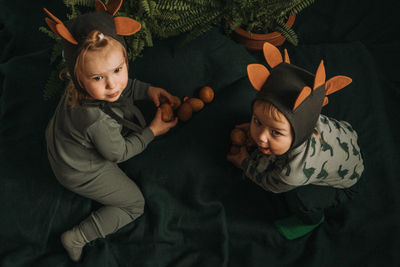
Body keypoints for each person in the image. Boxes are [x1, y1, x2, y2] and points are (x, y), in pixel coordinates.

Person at [43, 0, 178, 262]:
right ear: (78, 78)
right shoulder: (95, 120)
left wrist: (147, 90)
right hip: (78, 169)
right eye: (98, 78)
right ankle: (77, 236)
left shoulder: (86, 85)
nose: (112, 84)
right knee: (134, 204)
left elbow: (125, 88)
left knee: (111, 95)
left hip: (62, 140)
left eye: (118, 69)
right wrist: (152, 131)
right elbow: (119, 152)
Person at [227, 42, 364, 240]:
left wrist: (244, 163)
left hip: (345, 183)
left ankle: (312, 220)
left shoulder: (292, 172)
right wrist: (255, 129)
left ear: (299, 134)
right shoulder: (307, 114)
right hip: (345, 136)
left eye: (275, 132)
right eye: (257, 121)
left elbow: (269, 183)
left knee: (300, 198)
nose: (261, 136)